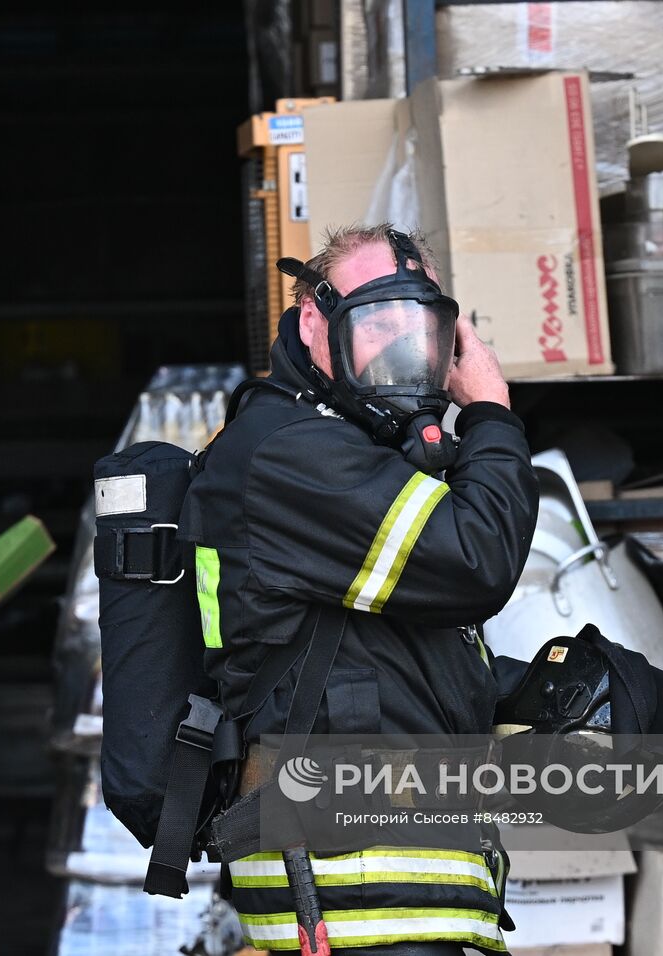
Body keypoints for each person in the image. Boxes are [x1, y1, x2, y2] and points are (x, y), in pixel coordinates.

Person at [179, 224, 539, 954]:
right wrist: (492, 413)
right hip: (353, 906)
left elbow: (387, 663)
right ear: (315, 319)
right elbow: (478, 561)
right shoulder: (290, 452)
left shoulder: (357, 459)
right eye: (377, 321)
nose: (403, 348)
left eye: (423, 325)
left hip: (398, 902)